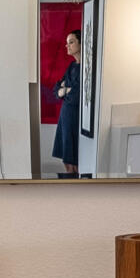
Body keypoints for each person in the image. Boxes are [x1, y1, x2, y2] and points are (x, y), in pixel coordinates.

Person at [51, 29, 84, 177]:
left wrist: (65, 91)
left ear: (81, 43)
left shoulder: (86, 69)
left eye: (71, 42)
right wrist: (64, 90)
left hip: (75, 118)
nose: (67, 46)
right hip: (64, 117)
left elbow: (77, 96)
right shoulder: (71, 66)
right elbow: (56, 89)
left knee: (75, 163)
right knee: (66, 162)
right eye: (66, 43)